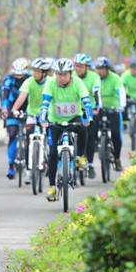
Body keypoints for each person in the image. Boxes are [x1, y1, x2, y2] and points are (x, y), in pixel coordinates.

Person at [39, 58, 92, 202]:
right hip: (55, 120)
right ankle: (52, 187)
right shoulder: (50, 83)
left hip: (74, 118)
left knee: (84, 129)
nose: (60, 77)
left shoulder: (78, 83)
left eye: (64, 74)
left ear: (70, 74)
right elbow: (45, 103)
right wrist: (43, 118)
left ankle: (80, 157)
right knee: (52, 153)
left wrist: (88, 117)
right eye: (58, 74)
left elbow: (86, 101)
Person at [10, 57, 53, 176]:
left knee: (51, 140)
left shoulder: (51, 82)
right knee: (29, 140)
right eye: (34, 70)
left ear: (44, 73)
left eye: (37, 71)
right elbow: (22, 96)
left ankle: (50, 161)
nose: (34, 73)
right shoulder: (29, 81)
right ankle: (29, 168)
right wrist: (14, 109)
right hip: (32, 114)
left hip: (48, 115)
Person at [0, 58, 29, 180]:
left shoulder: (30, 79)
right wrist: (4, 109)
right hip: (11, 109)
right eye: (16, 74)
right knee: (12, 134)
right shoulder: (8, 80)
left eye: (21, 74)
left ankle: (31, 164)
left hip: (28, 108)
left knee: (30, 136)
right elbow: (5, 96)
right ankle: (11, 165)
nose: (18, 77)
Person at [95, 56, 126, 171]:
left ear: (107, 69)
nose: (100, 71)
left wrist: (121, 105)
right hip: (99, 109)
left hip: (113, 109)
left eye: (102, 69)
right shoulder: (95, 78)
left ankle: (117, 159)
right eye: (98, 69)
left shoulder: (115, 78)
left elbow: (121, 92)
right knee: (91, 130)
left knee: (116, 135)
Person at [74, 53, 101, 179]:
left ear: (86, 67)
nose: (77, 68)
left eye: (80, 66)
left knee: (90, 137)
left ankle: (89, 164)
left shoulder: (94, 77)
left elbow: (96, 92)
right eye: (76, 66)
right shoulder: (71, 76)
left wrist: (97, 107)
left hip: (90, 110)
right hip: (74, 110)